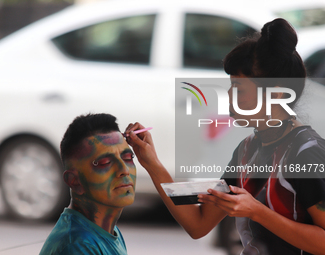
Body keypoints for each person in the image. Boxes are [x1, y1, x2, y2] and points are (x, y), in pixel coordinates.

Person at [124, 18, 325, 255]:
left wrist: (258, 212)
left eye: (238, 89)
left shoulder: (307, 152)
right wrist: (152, 163)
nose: (228, 96)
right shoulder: (248, 149)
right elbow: (199, 223)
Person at [40, 113, 136, 255]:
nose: (124, 170)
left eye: (128, 158)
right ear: (74, 181)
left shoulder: (108, 230)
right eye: (105, 163)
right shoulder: (78, 245)